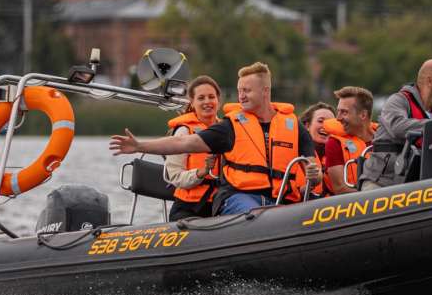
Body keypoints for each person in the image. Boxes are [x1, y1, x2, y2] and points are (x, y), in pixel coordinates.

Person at [109, 62, 321, 215]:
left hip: (281, 200)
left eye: (247, 90)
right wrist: (139, 146)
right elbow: (183, 143)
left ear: (265, 92)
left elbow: (314, 172)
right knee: (259, 216)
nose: (241, 96)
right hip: (241, 198)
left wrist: (314, 175)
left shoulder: (294, 127)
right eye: (239, 91)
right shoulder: (230, 127)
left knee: (291, 214)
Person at [359, 59, 432, 190]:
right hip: (381, 182)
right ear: (430, 81)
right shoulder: (398, 101)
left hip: (414, 185)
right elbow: (398, 127)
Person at [164, 76, 222, 220]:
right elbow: (176, 177)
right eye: (201, 98)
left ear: (218, 101)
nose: (207, 102)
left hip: (221, 205)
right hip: (189, 208)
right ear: (193, 102)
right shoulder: (184, 132)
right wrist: (202, 172)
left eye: (211, 97)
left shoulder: (228, 131)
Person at [324, 86, 376, 194]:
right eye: (338, 111)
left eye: (344, 112)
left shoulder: (385, 138)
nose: (338, 118)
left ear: (363, 115)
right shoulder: (335, 143)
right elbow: (340, 189)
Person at [298, 102, 335, 197]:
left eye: (331, 123)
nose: (326, 126)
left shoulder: (340, 155)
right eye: (320, 121)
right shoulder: (292, 152)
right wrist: (306, 188)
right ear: (306, 125)